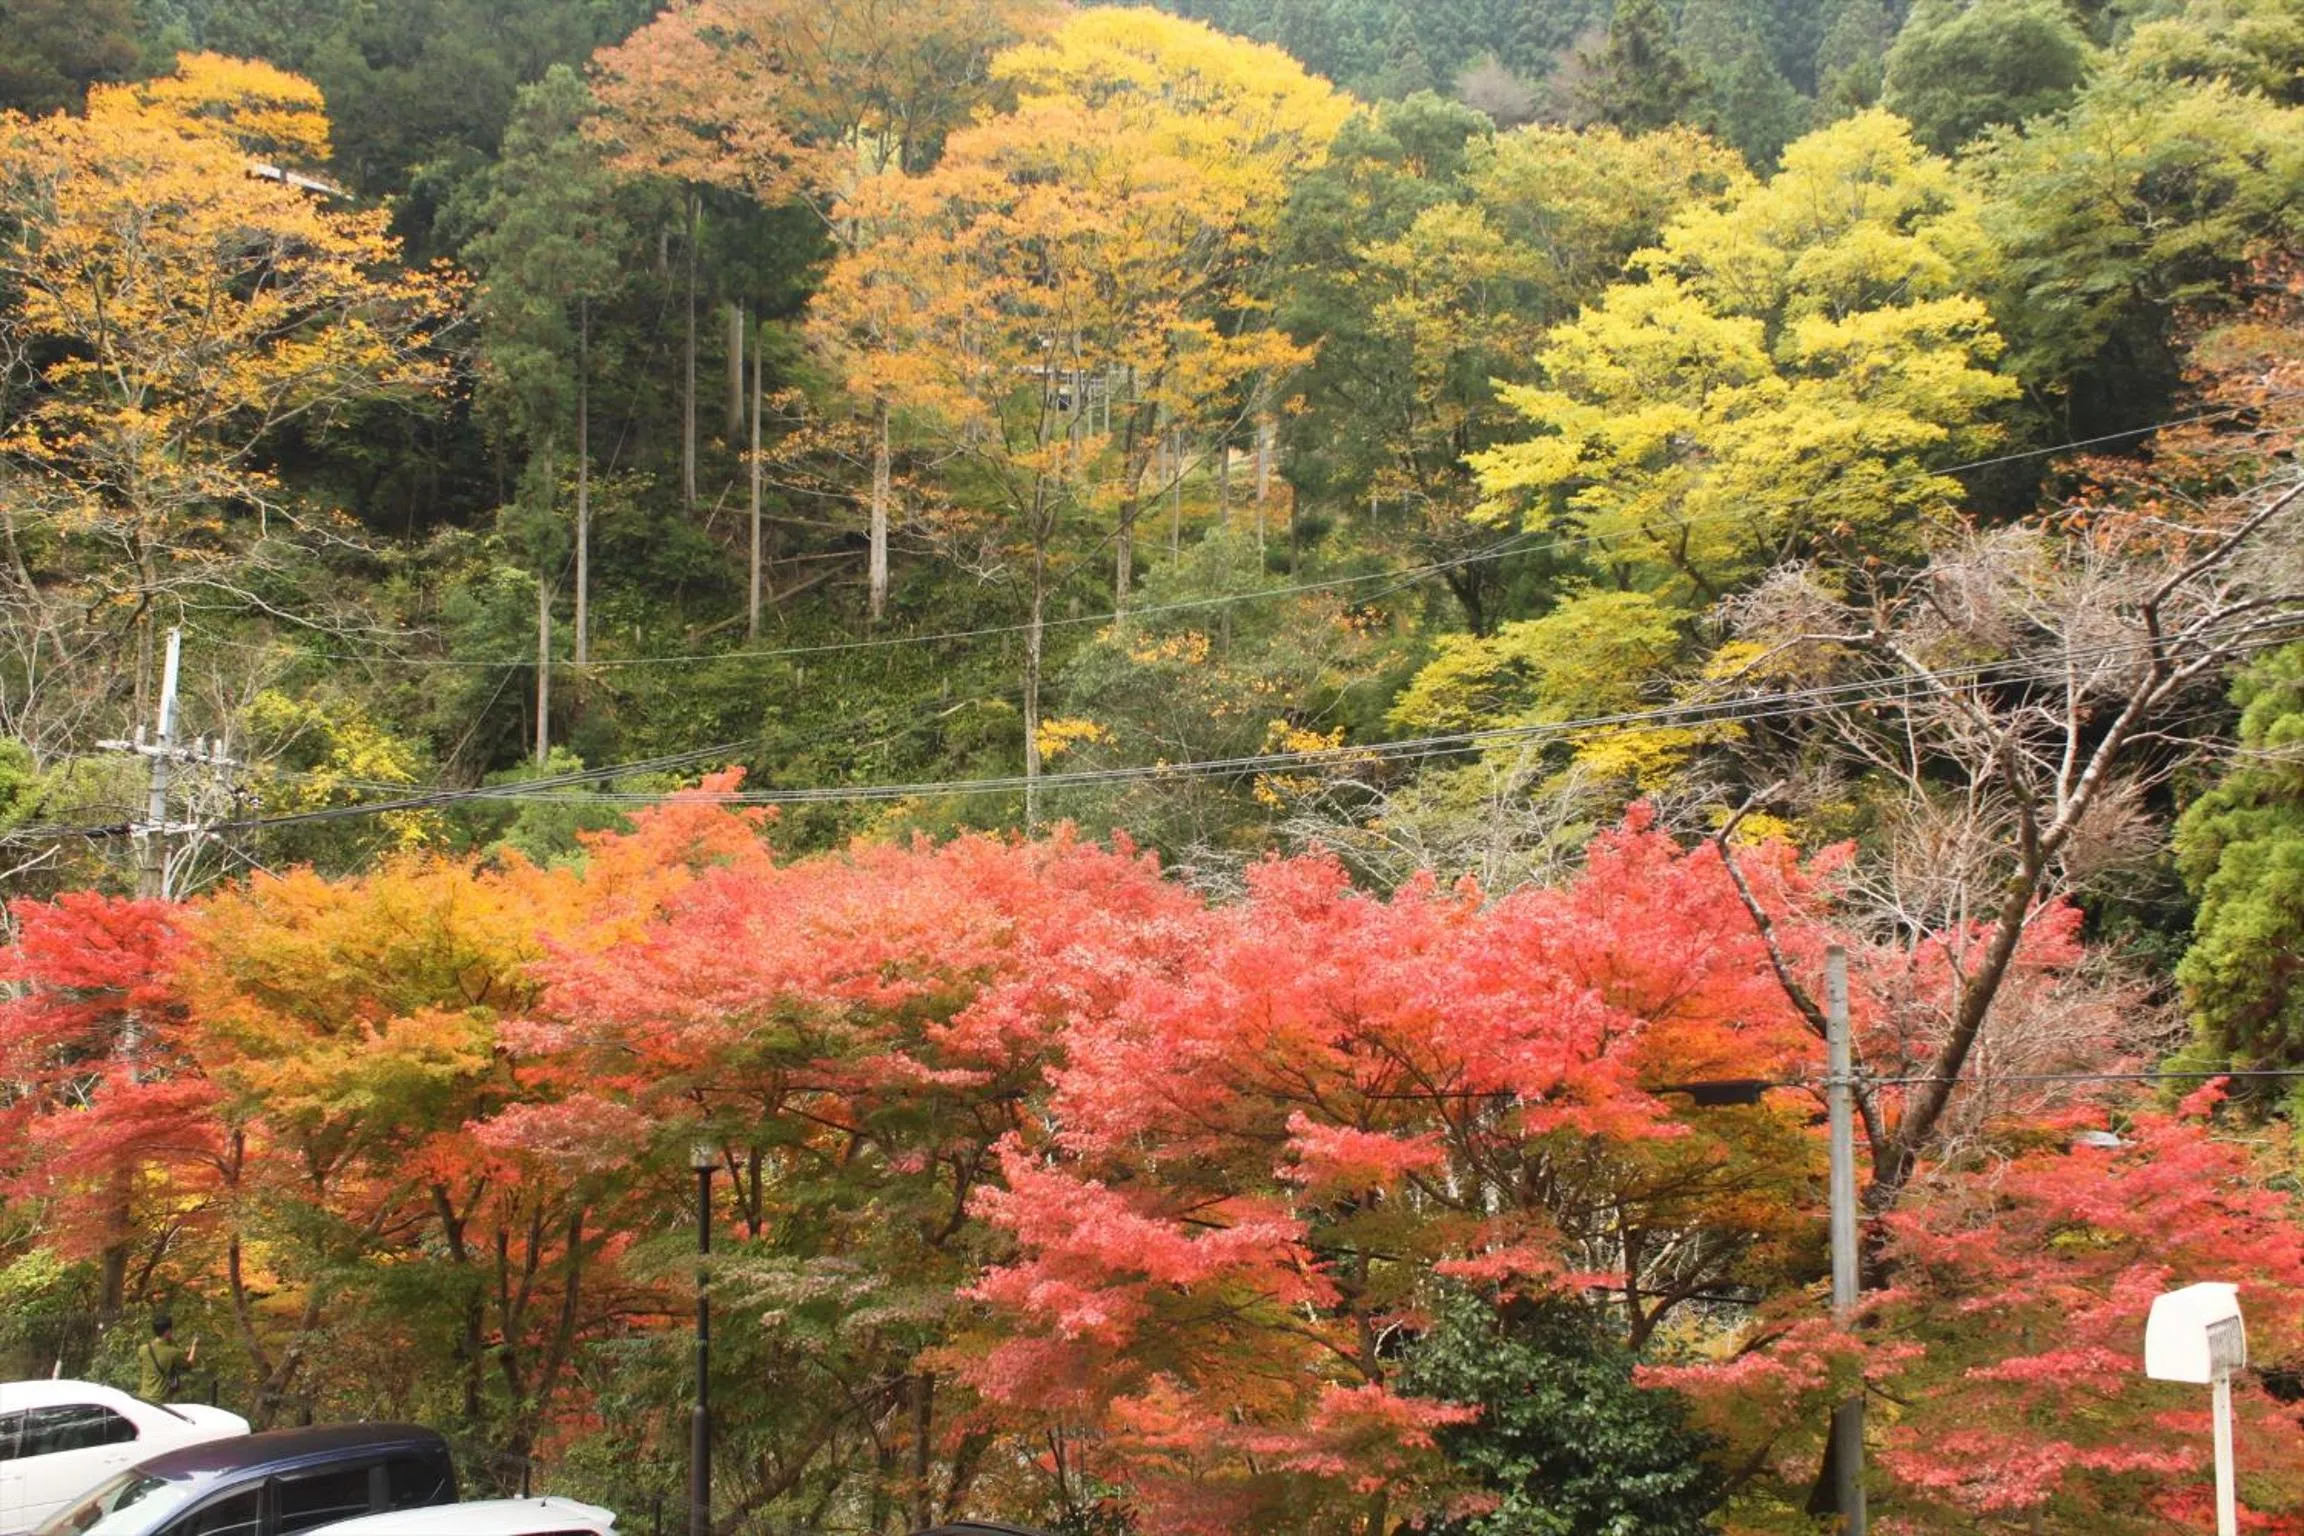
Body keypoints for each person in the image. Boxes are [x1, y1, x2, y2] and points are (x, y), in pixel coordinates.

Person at [137, 1312, 195, 1402]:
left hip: (143, 1398)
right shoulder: (173, 1352)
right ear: (168, 1331)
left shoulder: (143, 1349)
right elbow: (188, 1365)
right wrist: (194, 1347)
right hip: (160, 1401)